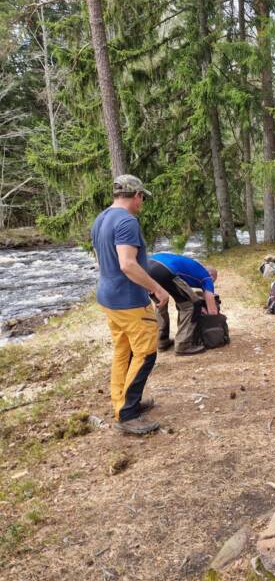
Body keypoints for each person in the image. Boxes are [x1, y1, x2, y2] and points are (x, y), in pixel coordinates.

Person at [90, 174, 169, 435]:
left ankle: (121, 403)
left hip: (109, 297)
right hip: (129, 301)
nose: (142, 202)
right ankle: (128, 413)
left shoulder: (101, 218)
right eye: (142, 197)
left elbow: (102, 261)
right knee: (145, 354)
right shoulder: (127, 221)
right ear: (136, 195)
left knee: (123, 351)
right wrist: (157, 288)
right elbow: (127, 264)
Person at [147, 253, 219, 356]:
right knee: (191, 305)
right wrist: (215, 322)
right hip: (165, 270)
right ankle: (184, 345)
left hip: (145, 269)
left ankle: (162, 341)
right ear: (211, 275)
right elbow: (212, 310)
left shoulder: (191, 268)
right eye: (213, 281)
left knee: (161, 303)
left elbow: (181, 291)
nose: (211, 284)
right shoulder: (207, 277)